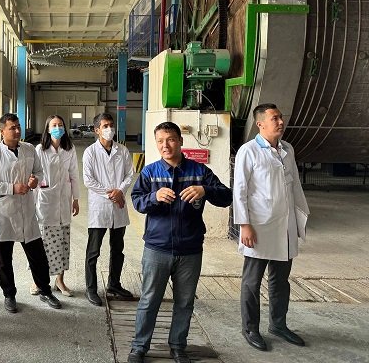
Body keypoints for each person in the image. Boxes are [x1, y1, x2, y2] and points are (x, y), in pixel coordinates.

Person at [127, 122, 232, 363]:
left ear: (181, 141)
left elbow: (226, 196)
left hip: (190, 249)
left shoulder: (199, 171)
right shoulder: (150, 172)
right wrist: (154, 196)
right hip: (157, 248)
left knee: (184, 302)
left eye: (171, 139)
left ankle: (177, 346)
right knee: (149, 300)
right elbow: (137, 201)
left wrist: (205, 190)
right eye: (160, 141)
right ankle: (139, 347)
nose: (165, 145)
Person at [233, 103, 309, 352]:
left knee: (281, 280)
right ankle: (250, 328)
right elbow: (240, 190)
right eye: (274, 118)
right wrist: (244, 225)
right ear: (260, 124)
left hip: (285, 226)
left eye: (280, 117)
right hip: (259, 226)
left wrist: (300, 218)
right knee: (252, 282)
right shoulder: (249, 151)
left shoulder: (288, 149)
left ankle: (278, 325)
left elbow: (295, 186)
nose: (280, 122)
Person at [0, 113, 62, 313]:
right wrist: (12, 188)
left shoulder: (28, 149)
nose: (17, 131)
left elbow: (39, 171)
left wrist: (35, 180)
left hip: (26, 210)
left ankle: (45, 290)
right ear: (2, 131)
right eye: (12, 128)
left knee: (37, 256)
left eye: (18, 126)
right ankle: (9, 294)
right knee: (3, 259)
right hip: (2, 212)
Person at [82, 112, 134, 306]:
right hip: (100, 207)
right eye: (105, 126)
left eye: (111, 125)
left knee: (118, 249)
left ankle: (114, 284)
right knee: (93, 251)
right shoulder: (90, 152)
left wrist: (120, 191)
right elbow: (88, 180)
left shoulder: (123, 150)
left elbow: (130, 174)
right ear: (97, 130)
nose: (109, 129)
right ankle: (91, 288)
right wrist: (111, 194)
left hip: (118, 207)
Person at [34, 114, 80, 297]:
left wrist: (76, 199)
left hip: (64, 202)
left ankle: (59, 280)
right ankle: (38, 281)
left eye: (60, 125)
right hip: (45, 202)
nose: (57, 128)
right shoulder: (40, 150)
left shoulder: (69, 149)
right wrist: (32, 204)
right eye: (53, 125)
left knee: (62, 243)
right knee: (42, 245)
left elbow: (74, 174)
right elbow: (34, 176)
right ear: (47, 129)